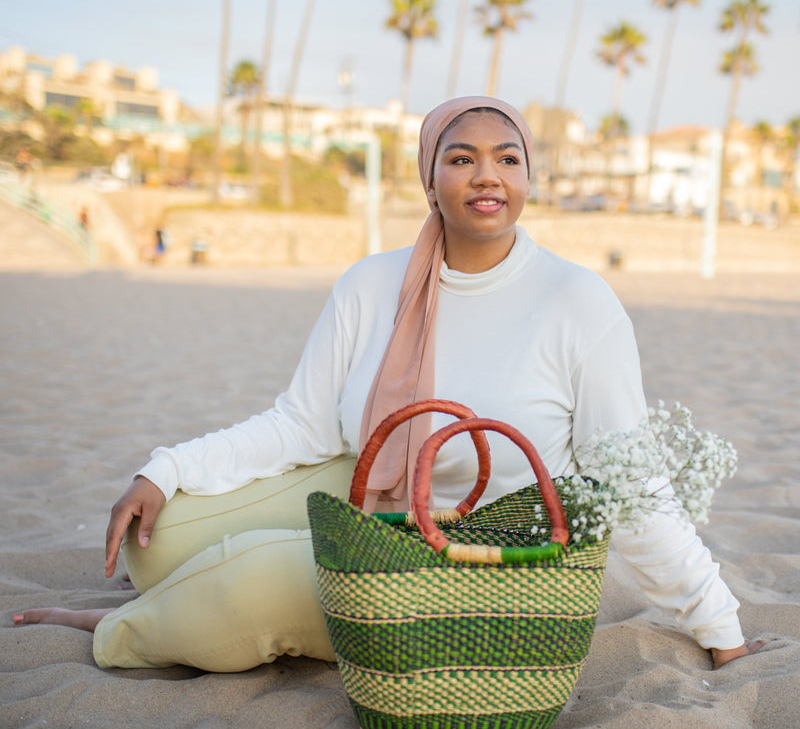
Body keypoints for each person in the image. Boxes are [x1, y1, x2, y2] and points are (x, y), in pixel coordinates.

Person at [14, 96, 763, 672]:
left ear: (529, 175)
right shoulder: (372, 285)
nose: (487, 176)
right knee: (156, 539)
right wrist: (165, 468)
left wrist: (719, 628)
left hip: (473, 555)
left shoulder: (577, 302)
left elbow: (635, 486)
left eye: (507, 158)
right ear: (430, 176)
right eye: (461, 158)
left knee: (243, 592)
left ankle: (118, 629)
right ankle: (173, 587)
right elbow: (300, 425)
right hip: (367, 485)